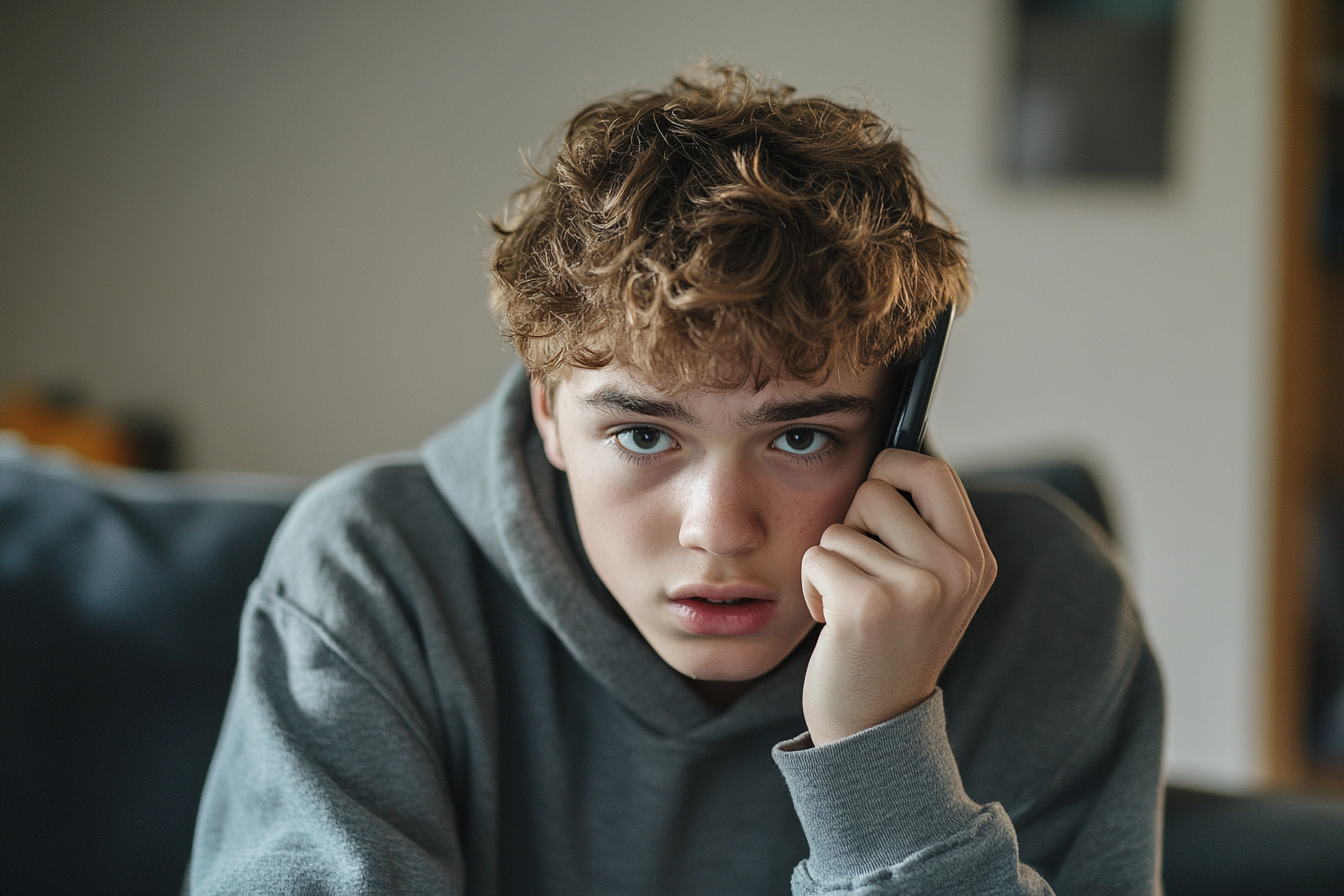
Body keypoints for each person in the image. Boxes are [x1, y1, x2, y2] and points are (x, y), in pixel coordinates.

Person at [187, 66, 1164, 895]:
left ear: (895, 424)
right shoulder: (370, 573)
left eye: (802, 437)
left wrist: (882, 752)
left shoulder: (1051, 606)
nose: (719, 529)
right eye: (646, 435)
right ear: (547, 410)